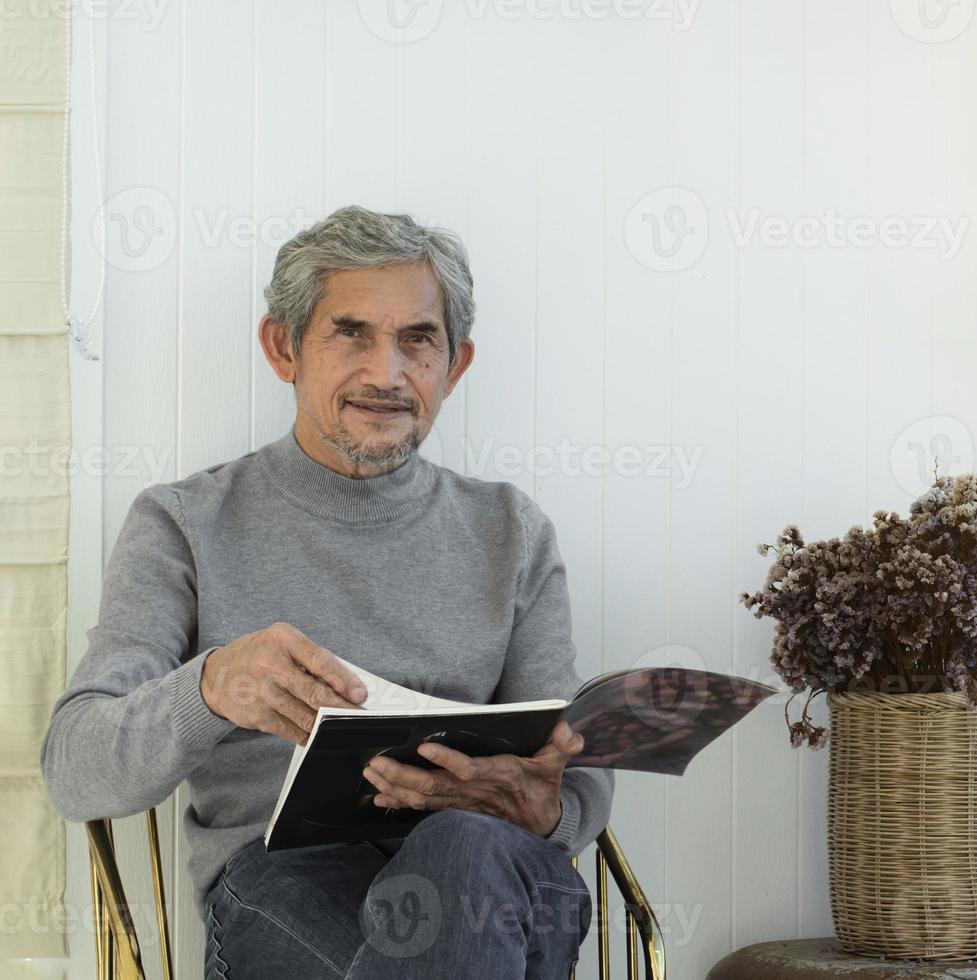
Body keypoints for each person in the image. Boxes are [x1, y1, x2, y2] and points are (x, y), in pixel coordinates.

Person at [40, 205, 612, 979]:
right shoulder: (185, 522)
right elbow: (76, 771)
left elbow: (567, 764)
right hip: (287, 878)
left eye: (418, 339)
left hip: (491, 872)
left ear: (456, 364)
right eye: (351, 333)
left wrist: (549, 808)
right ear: (284, 348)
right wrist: (208, 689)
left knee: (469, 847)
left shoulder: (510, 530)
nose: (387, 374)